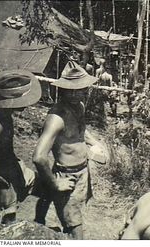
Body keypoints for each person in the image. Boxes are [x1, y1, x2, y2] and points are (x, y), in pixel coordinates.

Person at [33, 64, 99, 239]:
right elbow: (39, 157)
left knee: (68, 213)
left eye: (80, 89)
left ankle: (39, 221)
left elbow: (81, 131)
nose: (76, 94)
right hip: (66, 176)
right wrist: (56, 183)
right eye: (71, 90)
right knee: (76, 231)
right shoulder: (56, 118)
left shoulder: (79, 106)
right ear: (62, 89)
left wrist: (96, 143)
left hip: (82, 172)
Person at [0, 70, 42, 224]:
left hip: (10, 166)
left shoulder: (5, 116)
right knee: (7, 218)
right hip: (0, 176)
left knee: (46, 187)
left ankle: (40, 221)